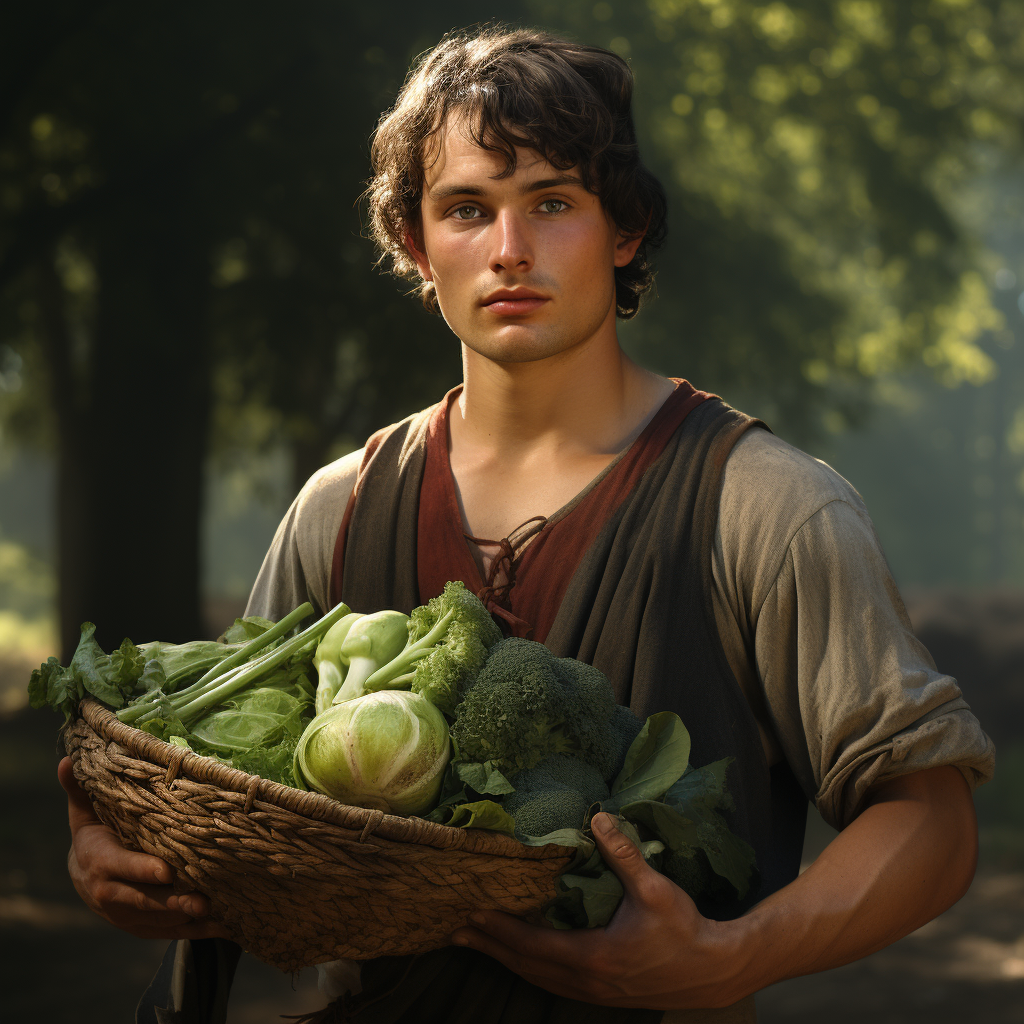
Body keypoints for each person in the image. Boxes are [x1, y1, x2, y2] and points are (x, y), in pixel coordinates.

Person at [58, 26, 994, 1024]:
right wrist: (116, 849)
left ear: (623, 229)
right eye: (467, 209)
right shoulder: (338, 509)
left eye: (552, 202)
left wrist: (729, 958)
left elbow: (929, 822)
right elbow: (232, 793)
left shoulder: (764, 504)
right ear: (415, 244)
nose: (509, 251)